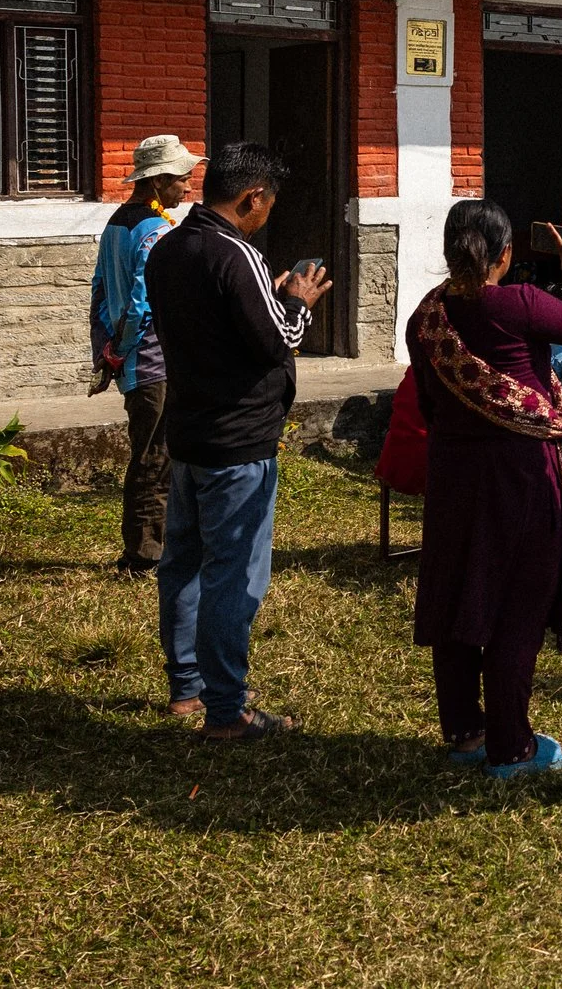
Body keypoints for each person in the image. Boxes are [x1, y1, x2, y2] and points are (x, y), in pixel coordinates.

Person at [406, 199, 562, 779]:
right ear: (505, 254)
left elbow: (427, 400)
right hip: (520, 474)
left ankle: (466, 731)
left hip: (452, 471)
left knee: (456, 596)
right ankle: (511, 745)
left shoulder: (426, 317)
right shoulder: (519, 303)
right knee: (517, 605)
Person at [146, 142, 332, 741]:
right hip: (240, 442)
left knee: (184, 562)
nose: (267, 214)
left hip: (189, 433)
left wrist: (264, 299)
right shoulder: (238, 253)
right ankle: (227, 710)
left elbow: (214, 325)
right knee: (234, 574)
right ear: (252, 197)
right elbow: (278, 338)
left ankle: (187, 688)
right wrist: (294, 300)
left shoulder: (169, 247)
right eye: (267, 204)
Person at [90, 134, 197, 575]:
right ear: (158, 182)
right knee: (154, 458)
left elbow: (99, 293)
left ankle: (152, 546)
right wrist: (119, 352)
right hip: (151, 362)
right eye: (182, 180)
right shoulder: (156, 231)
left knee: (150, 453)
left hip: (130, 361)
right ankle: (144, 555)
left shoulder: (117, 222)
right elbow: (140, 304)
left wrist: (106, 352)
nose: (188, 189)